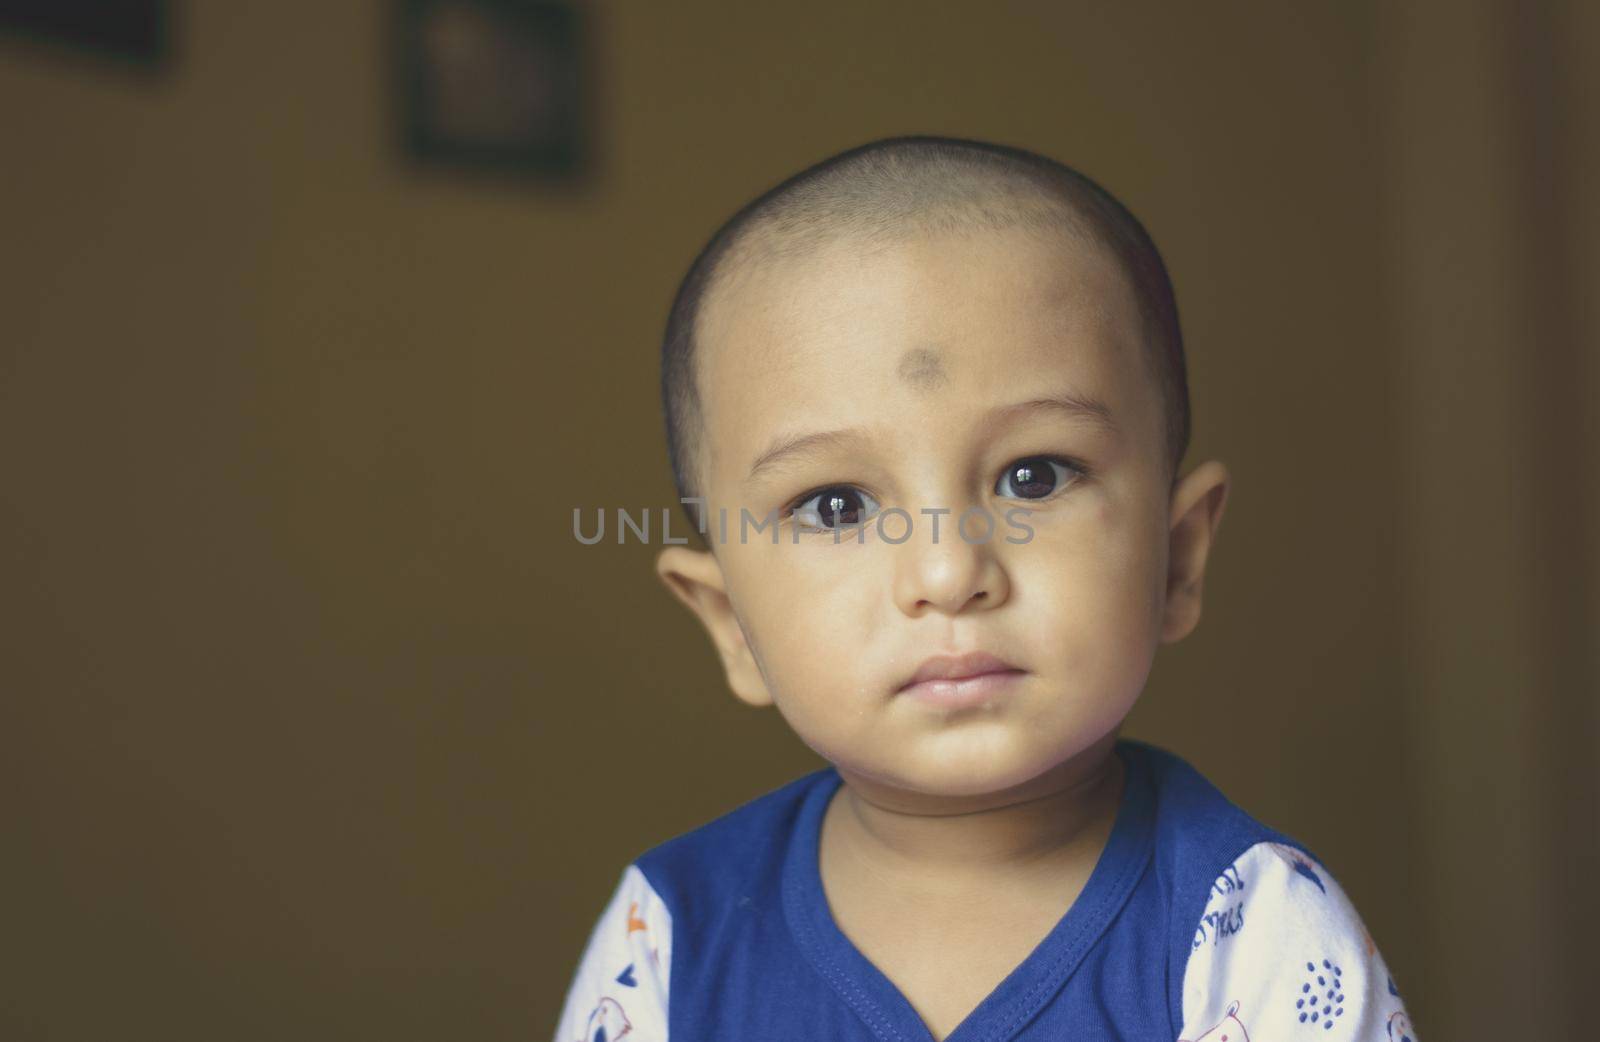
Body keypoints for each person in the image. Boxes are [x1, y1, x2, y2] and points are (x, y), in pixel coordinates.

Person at [554, 135, 1417, 1042]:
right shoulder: (669, 937)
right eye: (837, 504)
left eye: (1034, 477)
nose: (947, 572)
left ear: (1178, 556)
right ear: (729, 622)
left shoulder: (1249, 925)